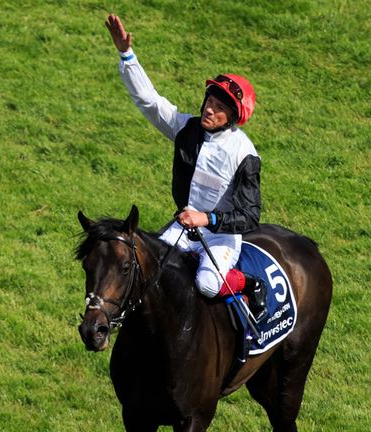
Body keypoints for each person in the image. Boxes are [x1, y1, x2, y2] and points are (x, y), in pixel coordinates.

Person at [105, 14, 267, 320]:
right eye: (209, 101)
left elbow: (250, 215)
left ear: (233, 117)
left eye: (220, 108)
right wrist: (126, 55)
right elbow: (150, 102)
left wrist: (207, 217)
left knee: (206, 284)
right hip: (182, 227)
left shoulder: (245, 154)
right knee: (147, 268)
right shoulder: (186, 129)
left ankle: (249, 284)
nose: (209, 109)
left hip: (220, 238)